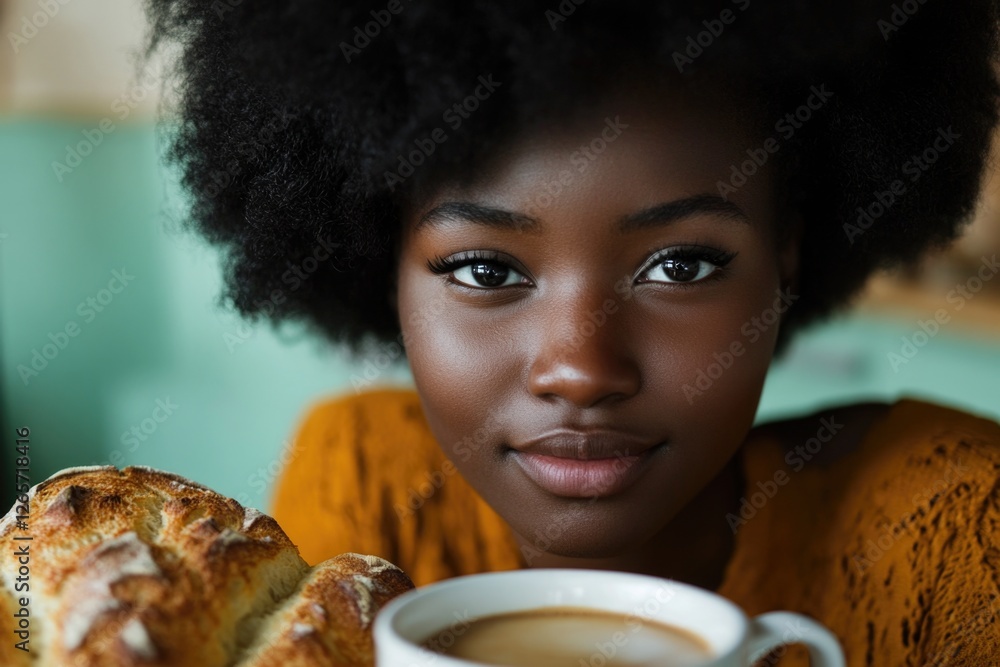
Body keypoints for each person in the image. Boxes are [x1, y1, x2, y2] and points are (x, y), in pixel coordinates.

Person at [146, 1, 1000, 663]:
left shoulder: (953, 535)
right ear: (382, 266)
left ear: (787, 259)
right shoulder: (364, 485)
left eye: (682, 266)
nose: (581, 370)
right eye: (486, 270)